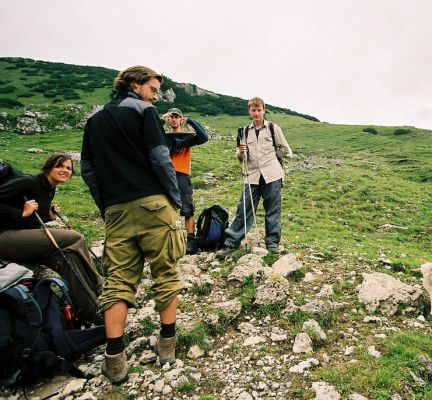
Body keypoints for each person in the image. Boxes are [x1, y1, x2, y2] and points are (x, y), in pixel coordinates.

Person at [81, 65, 186, 384]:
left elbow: (88, 170)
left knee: (117, 282)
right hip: (154, 204)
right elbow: (159, 157)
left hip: (117, 211)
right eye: (153, 89)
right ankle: (167, 344)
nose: (155, 96)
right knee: (165, 273)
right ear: (135, 84)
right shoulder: (145, 112)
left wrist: (107, 206)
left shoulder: (94, 121)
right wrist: (174, 199)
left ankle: (114, 358)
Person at [0, 153, 104, 324]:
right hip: (4, 237)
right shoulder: (29, 181)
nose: (65, 170)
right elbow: (20, 213)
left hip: (20, 238)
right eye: (59, 166)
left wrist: (48, 216)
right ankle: (100, 283)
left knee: (68, 259)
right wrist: (21, 213)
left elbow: (31, 219)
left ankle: (93, 311)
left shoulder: (49, 189)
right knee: (75, 238)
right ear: (48, 168)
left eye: (68, 168)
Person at [216, 97, 292, 258]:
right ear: (249, 111)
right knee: (244, 210)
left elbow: (285, 149)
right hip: (251, 175)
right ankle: (231, 243)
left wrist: (273, 158)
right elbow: (239, 155)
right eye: (253, 110)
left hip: (272, 175)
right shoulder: (244, 131)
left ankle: (272, 244)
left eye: (259, 110)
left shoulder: (272, 128)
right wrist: (241, 152)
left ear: (263, 110)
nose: (256, 113)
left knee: (273, 210)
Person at [162, 107, 209, 254]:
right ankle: (168, 239)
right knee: (165, 207)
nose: (174, 119)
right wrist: (161, 121)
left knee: (187, 207)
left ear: (180, 119)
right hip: (166, 174)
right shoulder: (163, 136)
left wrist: (190, 121)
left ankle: (191, 241)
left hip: (182, 173)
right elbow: (147, 137)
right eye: (172, 117)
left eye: (177, 117)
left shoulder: (187, 137)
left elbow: (204, 137)